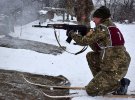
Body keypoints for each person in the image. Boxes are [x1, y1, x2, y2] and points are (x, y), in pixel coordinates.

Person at [69, 6, 131, 96]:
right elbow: (98, 49)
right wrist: (86, 35)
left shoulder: (102, 28)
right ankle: (104, 83)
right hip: (117, 65)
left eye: (95, 18)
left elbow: (83, 42)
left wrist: (72, 34)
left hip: (114, 68)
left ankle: (120, 85)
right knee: (91, 56)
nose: (93, 20)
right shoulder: (110, 26)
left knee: (91, 90)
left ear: (100, 18)